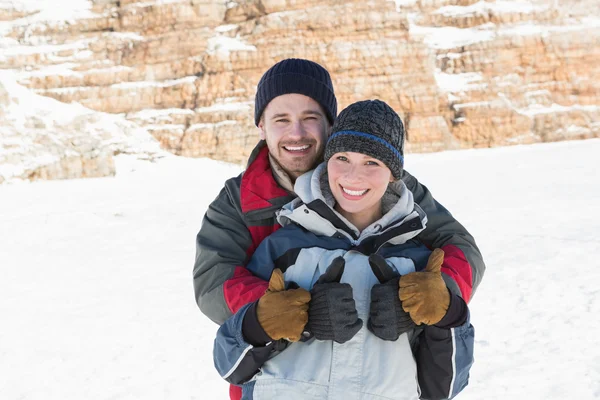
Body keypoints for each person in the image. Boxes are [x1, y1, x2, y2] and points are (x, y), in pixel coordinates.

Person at [193, 58, 484, 399]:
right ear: (261, 126)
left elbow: (459, 247)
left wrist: (426, 302)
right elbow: (214, 282)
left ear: (329, 124)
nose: (296, 133)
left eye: (310, 119)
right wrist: (292, 311)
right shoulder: (239, 199)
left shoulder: (388, 186)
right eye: (281, 119)